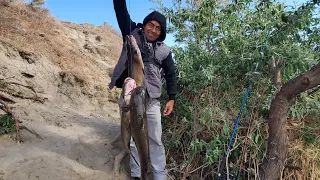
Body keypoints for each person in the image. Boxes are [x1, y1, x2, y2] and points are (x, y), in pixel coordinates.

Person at [109, 0, 177, 180]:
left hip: (152, 100)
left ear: (161, 33)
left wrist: (172, 98)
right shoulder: (132, 34)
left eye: (158, 28)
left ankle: (159, 175)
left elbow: (171, 74)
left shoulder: (164, 51)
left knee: (155, 139)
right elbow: (120, 10)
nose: (153, 30)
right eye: (150, 25)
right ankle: (137, 174)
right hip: (131, 99)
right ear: (145, 24)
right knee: (133, 139)